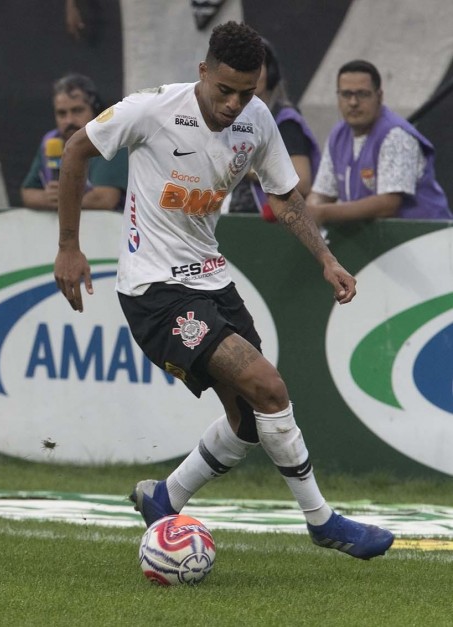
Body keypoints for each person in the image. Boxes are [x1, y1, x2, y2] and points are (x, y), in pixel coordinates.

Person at [53, 22, 394, 559]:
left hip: (211, 279)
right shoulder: (152, 109)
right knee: (270, 388)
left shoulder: (257, 121)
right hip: (154, 290)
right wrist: (69, 247)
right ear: (203, 72)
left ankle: (165, 497)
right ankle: (322, 521)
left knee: (250, 422)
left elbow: (285, 198)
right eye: (225, 90)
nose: (235, 104)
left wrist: (326, 259)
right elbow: (75, 151)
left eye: (247, 92)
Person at [307, 59, 451, 223]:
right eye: (346, 94)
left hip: (425, 239)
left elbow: (388, 204)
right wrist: (313, 207)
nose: (353, 102)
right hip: (380, 243)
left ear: (379, 96)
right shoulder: (337, 135)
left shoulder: (396, 135)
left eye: (362, 94)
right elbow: (322, 192)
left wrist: (323, 213)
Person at [226, 37, 320, 221]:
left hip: (271, 225)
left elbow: (301, 183)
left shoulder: (286, 121)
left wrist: (244, 167)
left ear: (271, 71)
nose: (248, 75)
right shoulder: (234, 118)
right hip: (236, 221)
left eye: (256, 67)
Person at [21, 73, 128, 212]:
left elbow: (104, 199)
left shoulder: (110, 140)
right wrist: (49, 197)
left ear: (95, 110)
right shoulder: (51, 142)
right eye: (61, 113)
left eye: (77, 111)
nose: (69, 120)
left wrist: (62, 196)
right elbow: (28, 194)